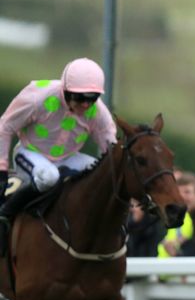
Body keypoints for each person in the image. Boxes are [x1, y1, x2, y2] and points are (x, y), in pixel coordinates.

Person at [0, 58, 117, 252]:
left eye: (92, 98)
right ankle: (7, 210)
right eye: (80, 98)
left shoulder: (99, 112)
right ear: (65, 90)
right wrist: (1, 169)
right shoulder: (37, 98)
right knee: (50, 177)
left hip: (68, 157)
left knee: (101, 175)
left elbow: (111, 148)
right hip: (30, 153)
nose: (86, 105)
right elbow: (5, 127)